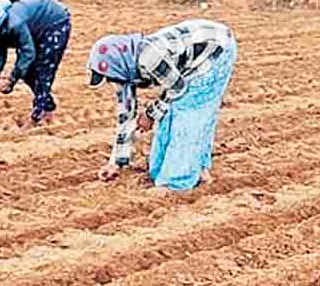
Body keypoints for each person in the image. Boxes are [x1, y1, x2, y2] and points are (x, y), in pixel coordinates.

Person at [87, 19, 237, 191]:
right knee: (169, 113)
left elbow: (178, 88)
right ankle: (184, 170)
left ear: (117, 63)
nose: (110, 81)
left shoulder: (149, 57)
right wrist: (116, 163)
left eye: (109, 76)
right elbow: (126, 116)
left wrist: (150, 114)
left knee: (188, 113)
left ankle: (177, 182)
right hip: (189, 60)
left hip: (215, 48)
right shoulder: (122, 71)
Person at [0, 0, 71, 127]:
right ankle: (47, 106)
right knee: (26, 73)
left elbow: (27, 52)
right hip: (34, 28)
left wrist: (10, 80)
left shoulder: (15, 24)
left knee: (43, 70)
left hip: (54, 21)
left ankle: (37, 116)